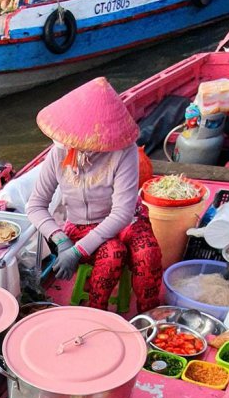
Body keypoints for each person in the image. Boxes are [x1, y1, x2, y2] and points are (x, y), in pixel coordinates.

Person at [26, 76, 163, 313]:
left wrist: (78, 251)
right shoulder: (59, 153)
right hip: (81, 224)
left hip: (127, 221)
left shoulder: (124, 152)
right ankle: (95, 314)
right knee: (113, 254)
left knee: (147, 254)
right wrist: (60, 239)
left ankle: (148, 317)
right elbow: (35, 205)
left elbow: (122, 213)